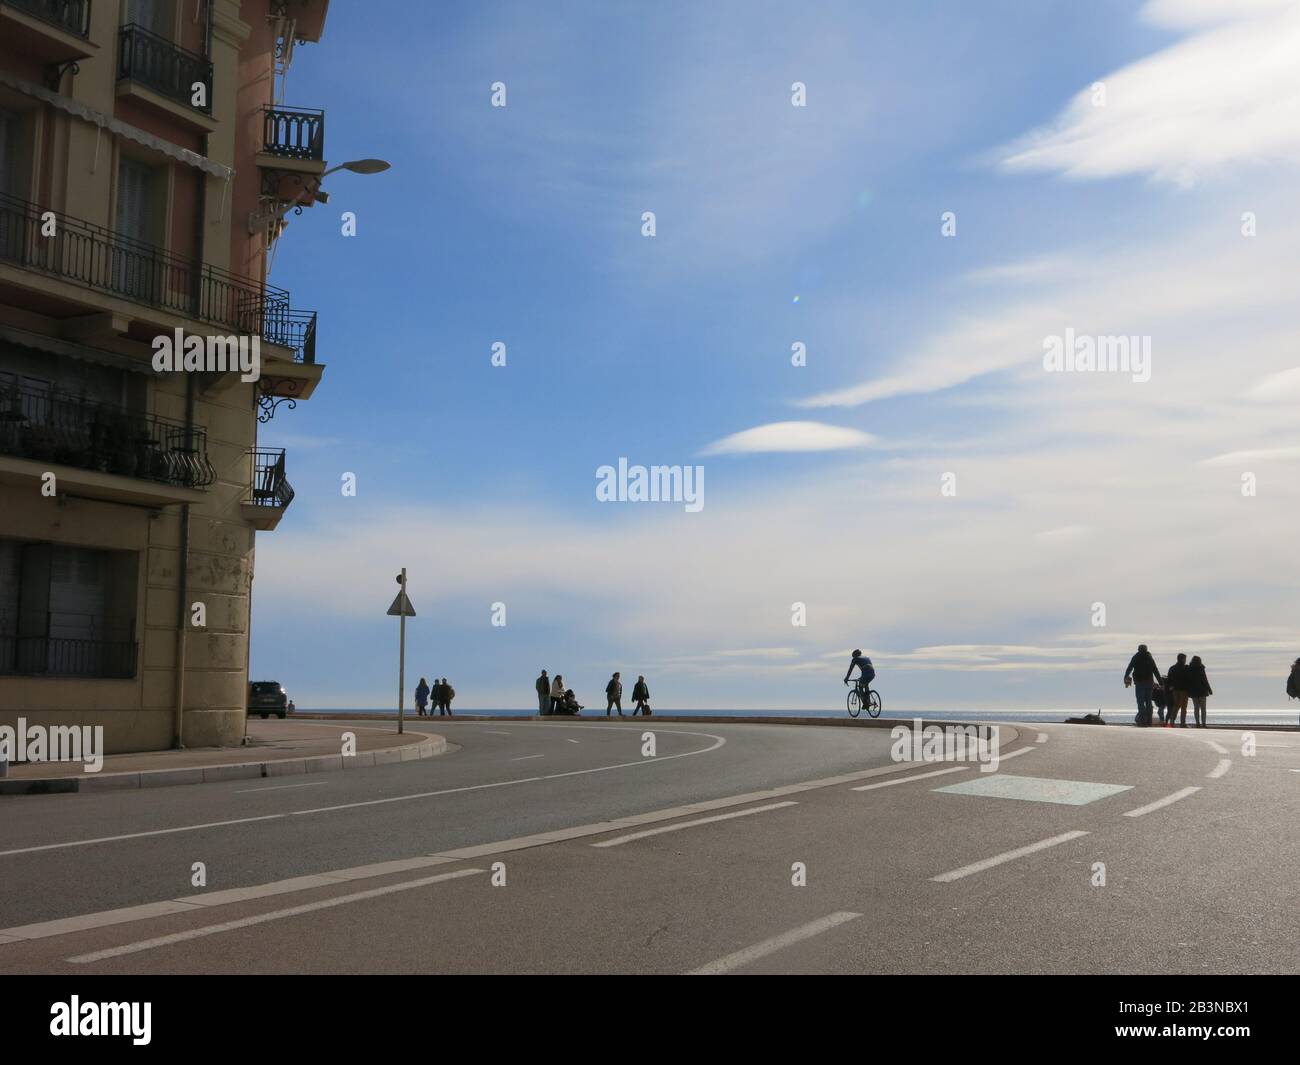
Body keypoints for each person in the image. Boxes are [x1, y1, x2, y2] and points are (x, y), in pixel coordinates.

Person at [1123, 644, 1163, 727]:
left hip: (1139, 682)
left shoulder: (1136, 657)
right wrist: (1161, 682)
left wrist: (1126, 677)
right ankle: (1149, 721)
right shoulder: (1149, 657)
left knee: (1140, 702)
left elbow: (1129, 668)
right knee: (1148, 702)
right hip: (1149, 682)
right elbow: (1155, 670)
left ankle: (1142, 721)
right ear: (1146, 649)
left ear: (1138, 649)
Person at [1165, 653, 1190, 728]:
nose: (1185, 660)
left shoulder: (1172, 668)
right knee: (1183, 707)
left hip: (1175, 689)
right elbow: (1189, 679)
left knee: (1176, 705)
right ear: (1183, 659)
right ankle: (1182, 723)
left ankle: (1172, 721)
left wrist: (1169, 687)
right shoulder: (1186, 668)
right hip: (1184, 689)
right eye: (1185, 659)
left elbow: (1169, 679)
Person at [1187, 655, 1212, 728]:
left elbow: (1188, 681)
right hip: (1202, 690)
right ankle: (1204, 723)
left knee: (1196, 708)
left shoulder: (1189, 668)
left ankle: (1197, 723)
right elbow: (1205, 680)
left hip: (1193, 691)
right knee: (1203, 708)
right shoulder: (1201, 668)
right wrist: (1209, 689)